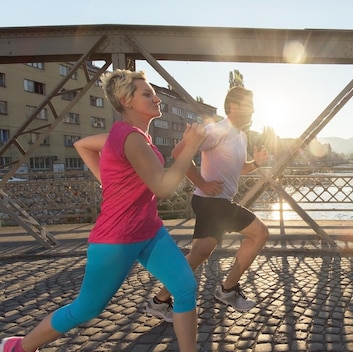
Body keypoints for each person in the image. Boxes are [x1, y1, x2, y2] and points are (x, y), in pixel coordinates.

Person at [0, 69, 207, 352]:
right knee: (86, 309)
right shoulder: (130, 137)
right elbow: (162, 188)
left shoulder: (127, 136)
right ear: (126, 100)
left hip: (149, 231)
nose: (156, 98)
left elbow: (82, 145)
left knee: (184, 289)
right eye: (147, 93)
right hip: (117, 239)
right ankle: (18, 347)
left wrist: (108, 179)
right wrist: (190, 149)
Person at [145, 86, 269, 320]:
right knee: (260, 233)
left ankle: (159, 301)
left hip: (213, 203)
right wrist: (202, 181)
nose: (253, 110)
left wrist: (257, 163)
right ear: (233, 106)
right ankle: (228, 290)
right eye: (249, 105)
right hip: (213, 203)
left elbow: (239, 168)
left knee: (199, 253)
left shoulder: (240, 136)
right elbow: (180, 150)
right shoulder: (216, 130)